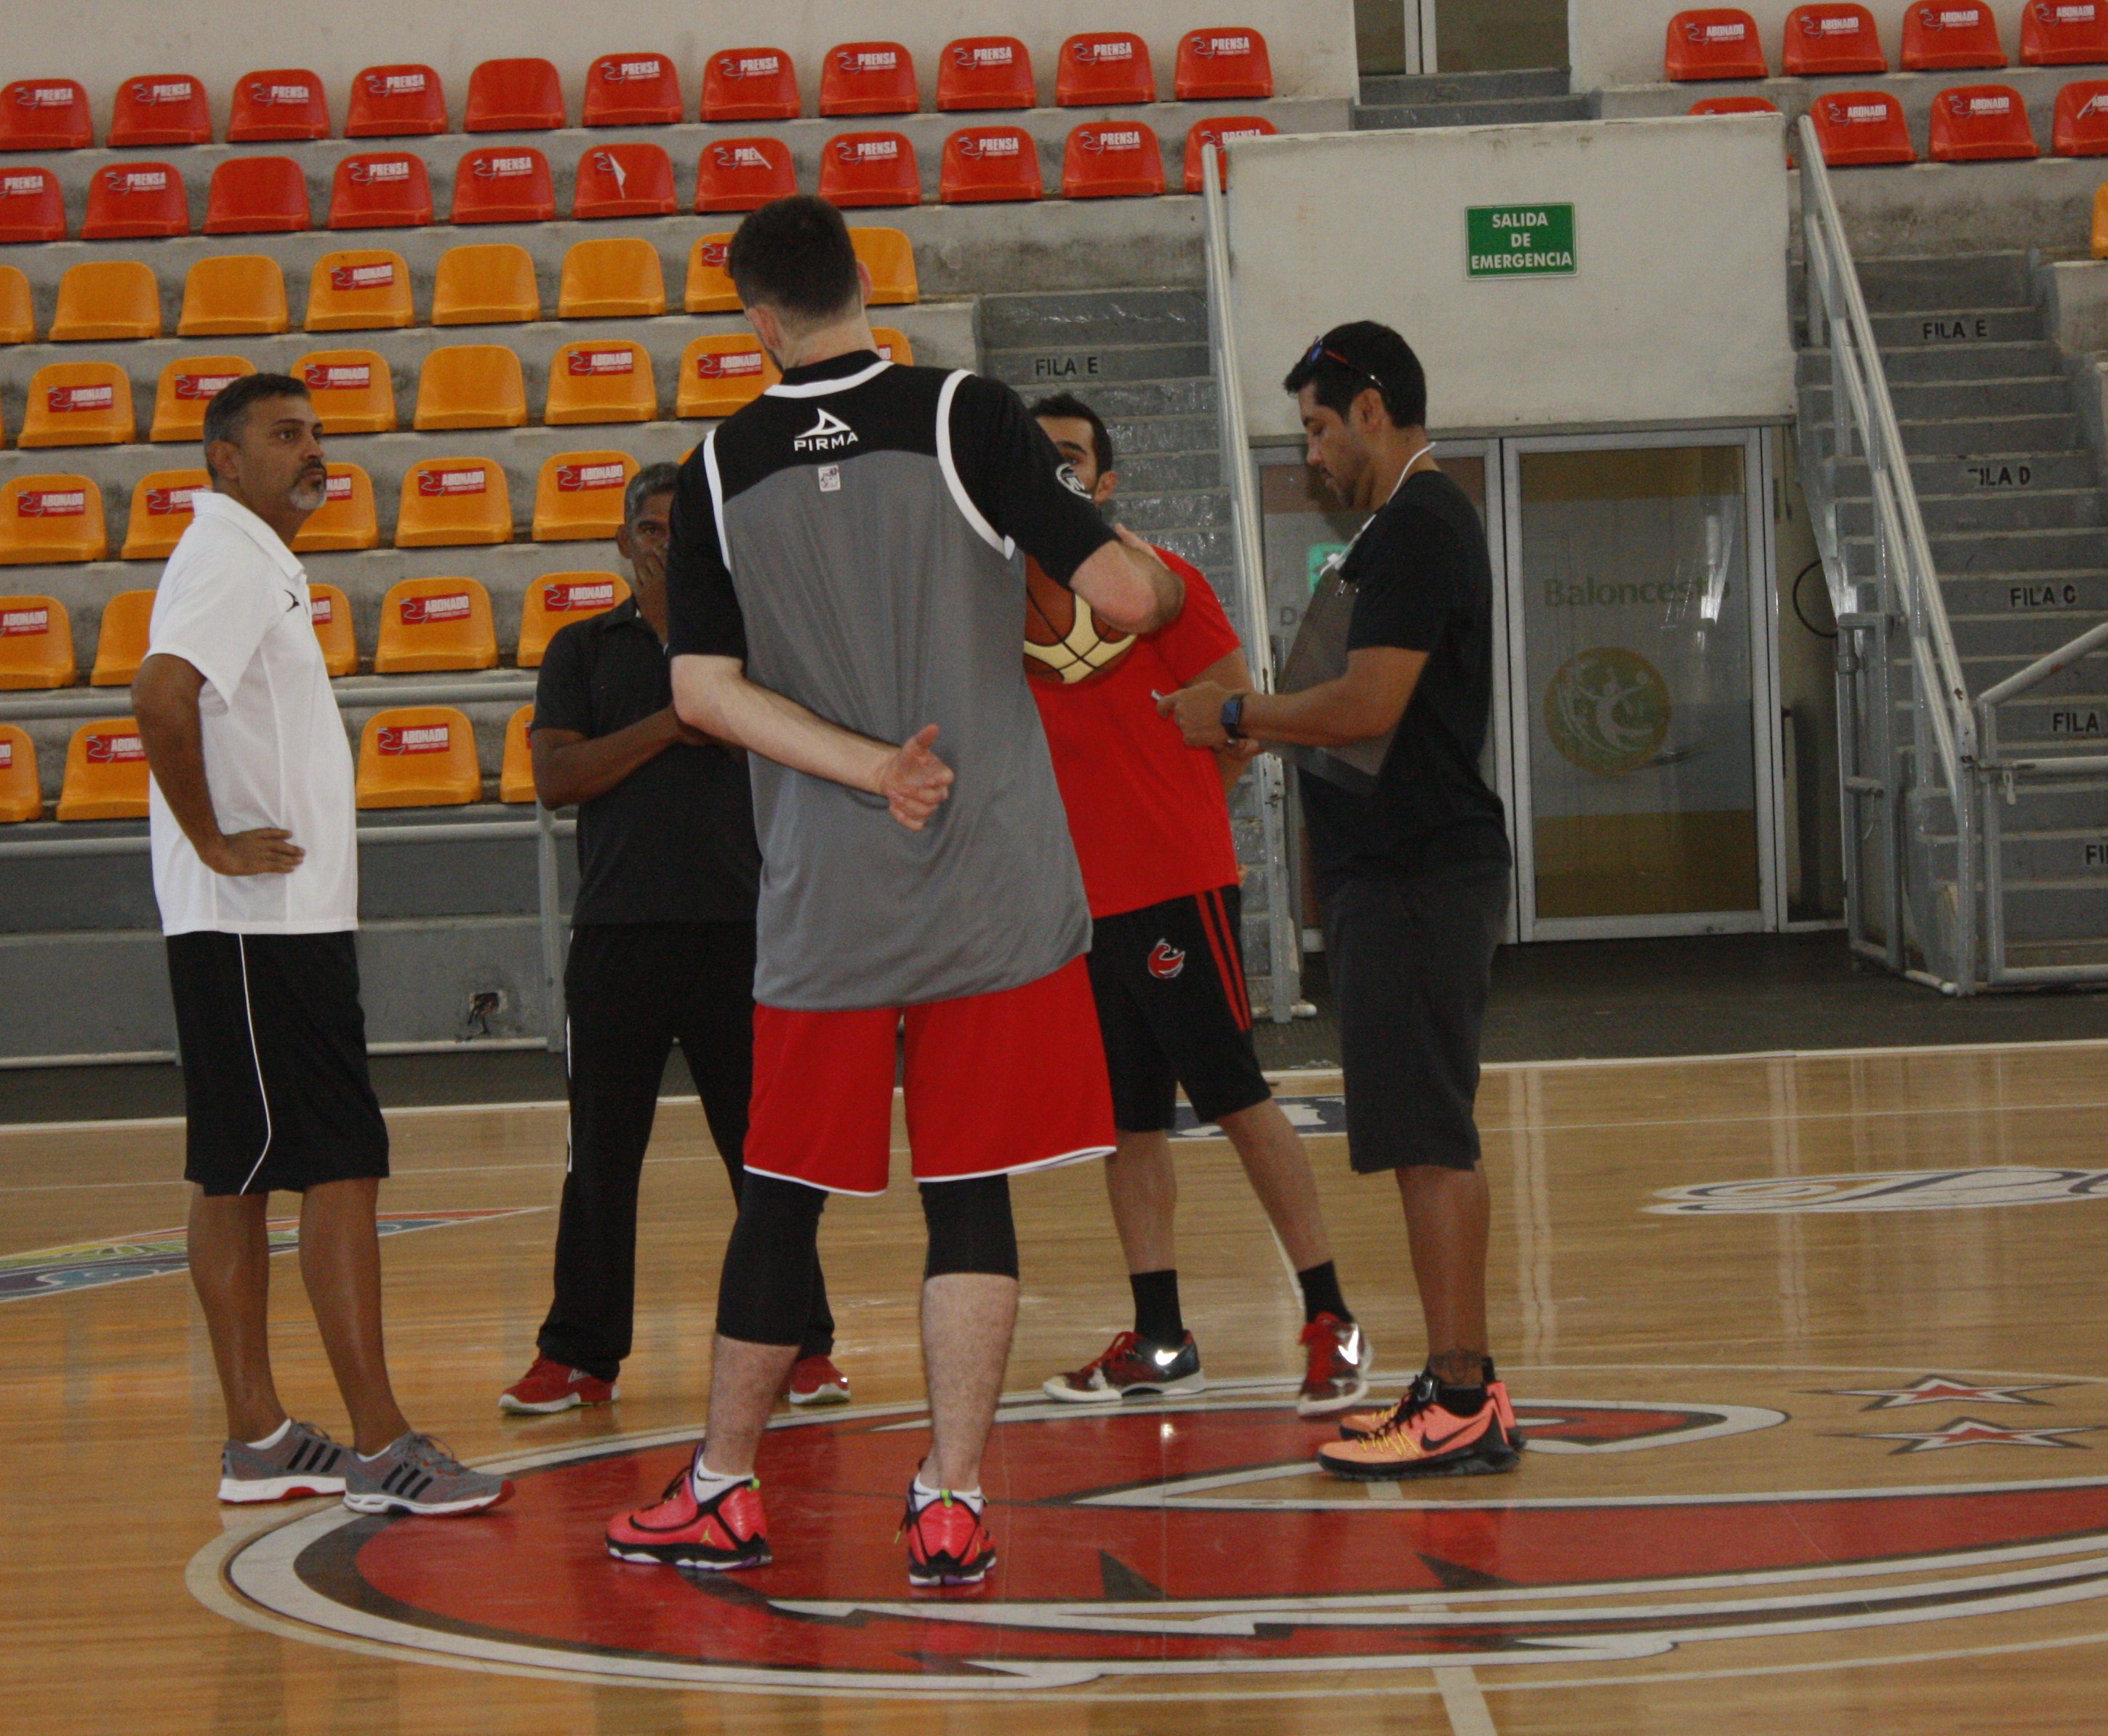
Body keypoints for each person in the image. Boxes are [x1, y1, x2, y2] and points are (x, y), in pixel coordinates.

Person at [601, 196, 1182, 1586]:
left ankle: (723, 1488)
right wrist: (1152, 591)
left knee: (782, 1194)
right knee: (970, 1192)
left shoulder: (720, 464)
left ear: (757, 317)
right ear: (867, 283)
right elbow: (1120, 594)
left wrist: (869, 769)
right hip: (989, 885)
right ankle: (952, 1500)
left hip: (830, 895)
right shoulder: (969, 415)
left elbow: (702, 694)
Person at [133, 372, 508, 1516]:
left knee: (238, 1172)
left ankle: (257, 1439)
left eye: (317, 434)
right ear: (223, 458)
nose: (312, 452)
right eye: (285, 434)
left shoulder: (254, 558)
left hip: (262, 928)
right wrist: (212, 840)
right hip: (259, 928)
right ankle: (381, 1446)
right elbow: (159, 696)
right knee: (340, 1162)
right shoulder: (230, 556)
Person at [1161, 324, 1522, 1481]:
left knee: (1430, 1139)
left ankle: (1459, 1394)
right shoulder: (1403, 528)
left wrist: (1233, 715)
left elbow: (1367, 706)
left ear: (1372, 409)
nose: (1312, 454)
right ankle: (1461, 1386)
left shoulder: (1417, 525)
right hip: (1401, 876)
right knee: (1423, 1137)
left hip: (1419, 875)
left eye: (1319, 428)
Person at [1024, 392, 1371, 1416]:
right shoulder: (997, 600)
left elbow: (1237, 720)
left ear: (1105, 482)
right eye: (1038, 457)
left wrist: (1168, 825)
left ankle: (1330, 1316)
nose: (1056, 471)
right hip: (1077, 907)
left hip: (1172, 885)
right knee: (1126, 1124)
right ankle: (1162, 1336)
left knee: (1235, 1094)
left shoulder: (1161, 581)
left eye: (1074, 456)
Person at [498, 464, 846, 1417]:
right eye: (650, 530)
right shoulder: (582, 647)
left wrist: (710, 691)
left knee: (765, 1154)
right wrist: (670, 718)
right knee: (601, 1159)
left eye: (682, 531)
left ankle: (803, 1345)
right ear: (624, 541)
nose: (665, 545)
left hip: (745, 933)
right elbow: (557, 778)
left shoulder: (754, 646)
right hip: (618, 937)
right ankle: (578, 1355)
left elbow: (791, 752)